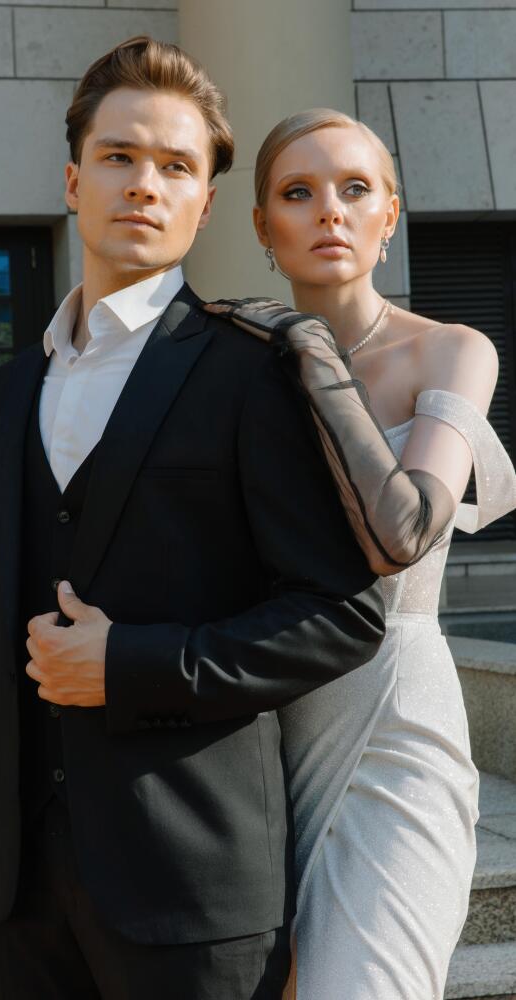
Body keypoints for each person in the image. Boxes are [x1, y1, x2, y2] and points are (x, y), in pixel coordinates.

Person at [0, 48, 385, 1000]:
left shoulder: (254, 372)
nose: (143, 184)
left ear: (204, 205)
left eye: (175, 166)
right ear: (73, 181)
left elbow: (342, 615)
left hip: (193, 888)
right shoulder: (5, 393)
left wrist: (131, 664)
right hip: (21, 896)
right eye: (119, 156)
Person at [206, 108, 516, 999]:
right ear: (263, 227)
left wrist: (309, 354)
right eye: (297, 193)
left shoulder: (453, 351)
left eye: (353, 188)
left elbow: (401, 533)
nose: (328, 211)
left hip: (395, 713)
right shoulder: (231, 371)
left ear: (389, 214)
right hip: (262, 728)